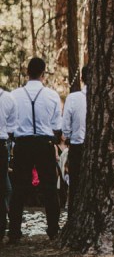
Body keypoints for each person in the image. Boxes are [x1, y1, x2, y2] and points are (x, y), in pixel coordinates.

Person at [9, 57, 62, 242]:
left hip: (22, 145)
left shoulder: (14, 95)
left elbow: (10, 124)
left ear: (27, 72)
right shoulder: (52, 96)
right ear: (43, 73)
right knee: (49, 188)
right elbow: (56, 124)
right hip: (44, 144)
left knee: (18, 189)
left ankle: (14, 232)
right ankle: (54, 230)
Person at [62, 65, 88, 216]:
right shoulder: (104, 99)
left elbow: (65, 126)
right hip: (98, 148)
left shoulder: (73, 98)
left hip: (77, 146)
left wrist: (69, 135)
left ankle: (72, 216)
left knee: (75, 184)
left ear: (82, 78)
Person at [0, 85, 17, 243]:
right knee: (4, 189)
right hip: (1, 145)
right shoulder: (8, 98)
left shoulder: (8, 98)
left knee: (6, 189)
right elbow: (12, 127)